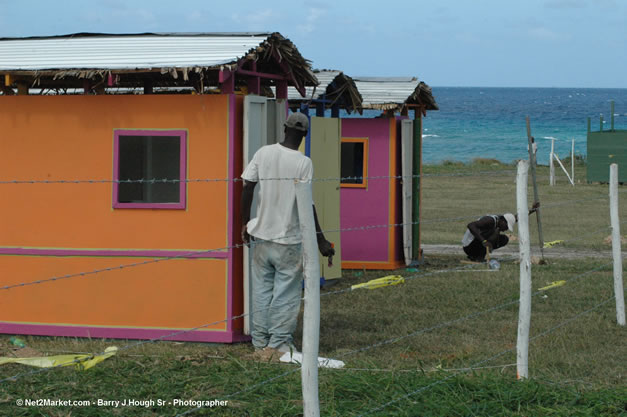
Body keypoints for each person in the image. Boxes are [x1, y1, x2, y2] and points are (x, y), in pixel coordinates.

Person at [240, 112, 335, 358]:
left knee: (261, 291)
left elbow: (247, 185)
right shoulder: (303, 162)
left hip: (260, 236)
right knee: (286, 293)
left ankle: (259, 344)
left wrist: (244, 223)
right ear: (305, 134)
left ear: (284, 128)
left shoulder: (263, 153)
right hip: (289, 241)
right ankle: (278, 345)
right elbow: (307, 203)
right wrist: (320, 239)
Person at [462, 202, 540, 262]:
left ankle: (478, 256)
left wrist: (532, 210)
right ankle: (477, 256)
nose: (505, 229)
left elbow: (517, 217)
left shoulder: (501, 221)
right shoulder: (490, 220)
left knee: (504, 239)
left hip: (477, 244)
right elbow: (470, 225)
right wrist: (484, 241)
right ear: (503, 221)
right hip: (469, 247)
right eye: (506, 227)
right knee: (493, 232)